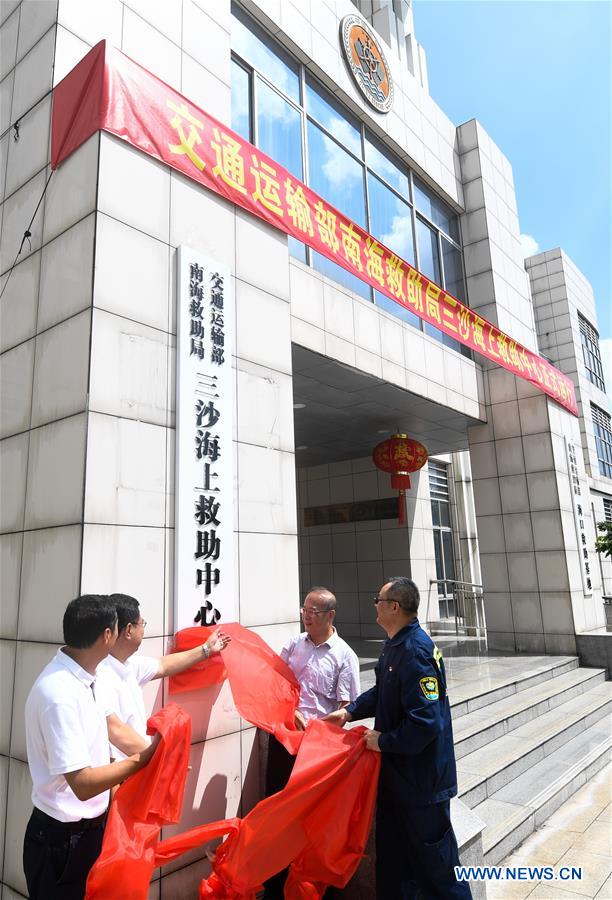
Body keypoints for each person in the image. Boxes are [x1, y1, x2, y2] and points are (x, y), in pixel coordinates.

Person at [324, 577, 472, 900]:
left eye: (378, 599)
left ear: (394, 607)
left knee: (439, 874)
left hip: (422, 786)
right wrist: (349, 712)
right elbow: (383, 692)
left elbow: (426, 723)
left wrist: (383, 741)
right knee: (394, 868)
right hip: (396, 781)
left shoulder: (416, 651)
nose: (374, 604)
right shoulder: (395, 645)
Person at [23, 594, 159, 900]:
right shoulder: (59, 694)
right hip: (61, 842)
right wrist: (142, 760)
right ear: (107, 635)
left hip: (87, 832)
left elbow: (103, 743)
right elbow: (83, 784)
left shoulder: (88, 679)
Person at [263, 587, 360, 898]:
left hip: (317, 751)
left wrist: (316, 726)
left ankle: (311, 887)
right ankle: (275, 884)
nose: (306, 616)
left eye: (313, 612)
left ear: (330, 615)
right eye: (304, 609)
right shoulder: (294, 644)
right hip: (284, 742)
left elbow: (345, 711)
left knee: (311, 821)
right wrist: (290, 712)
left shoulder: (344, 655)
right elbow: (275, 682)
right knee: (276, 811)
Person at [98, 593, 230, 755]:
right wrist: (162, 759)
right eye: (142, 623)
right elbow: (116, 731)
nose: (143, 629)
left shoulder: (128, 664)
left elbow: (163, 665)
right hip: (122, 774)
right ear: (129, 630)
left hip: (139, 767)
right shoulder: (101, 675)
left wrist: (206, 649)